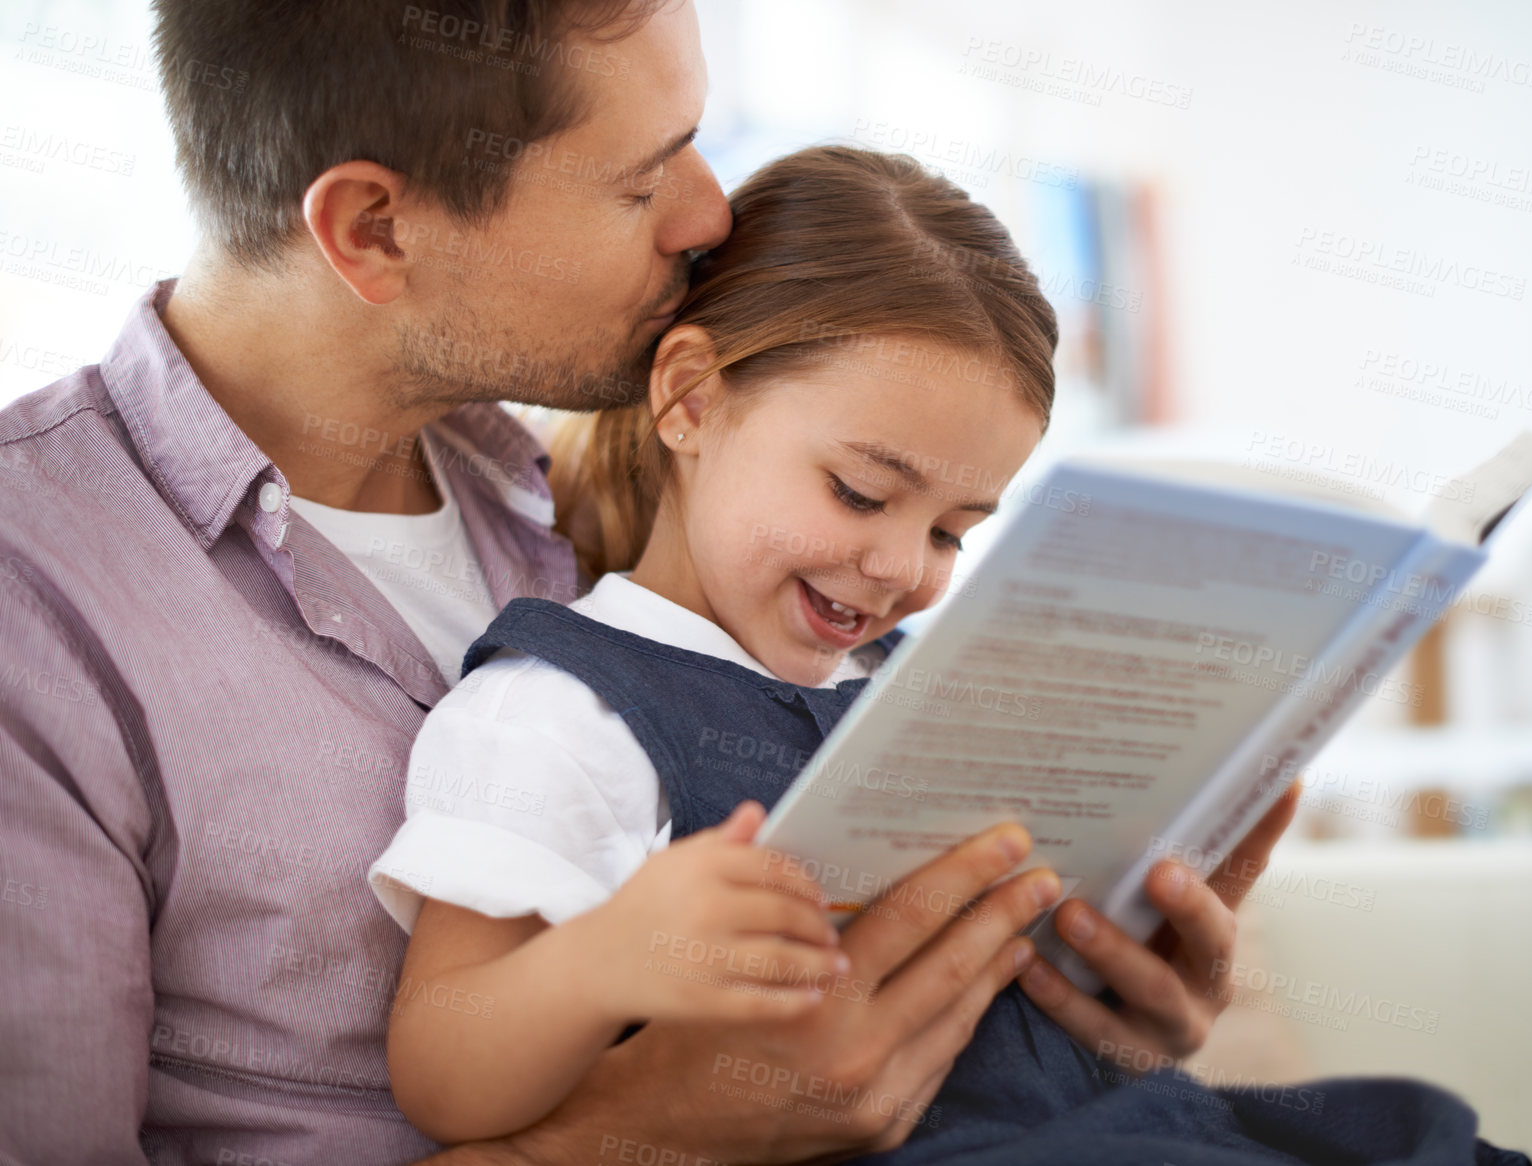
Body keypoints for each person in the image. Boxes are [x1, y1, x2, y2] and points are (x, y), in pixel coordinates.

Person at [0, 2, 1294, 1163]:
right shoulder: (38, 602)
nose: (708, 213)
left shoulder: (604, 512)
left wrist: (1096, 1021)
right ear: (373, 228)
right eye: (638, 180)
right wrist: (638, 1137)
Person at [369, 144, 1061, 1144]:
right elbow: (440, 1070)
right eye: (860, 493)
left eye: (953, 530)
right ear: (691, 399)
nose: (901, 566)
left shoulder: (900, 683)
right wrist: (612, 950)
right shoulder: (557, 715)